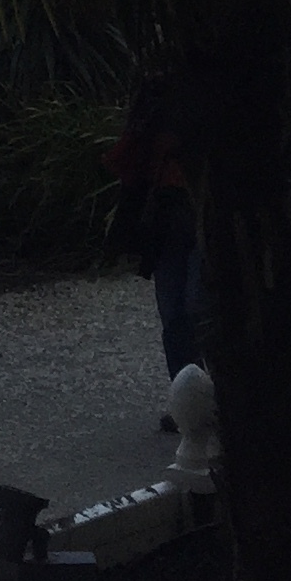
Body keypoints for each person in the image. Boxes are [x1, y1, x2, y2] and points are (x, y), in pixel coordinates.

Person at [106, 69, 199, 419]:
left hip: (202, 207)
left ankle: (204, 398)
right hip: (168, 209)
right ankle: (187, 399)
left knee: (195, 306)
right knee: (175, 310)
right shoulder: (159, 90)